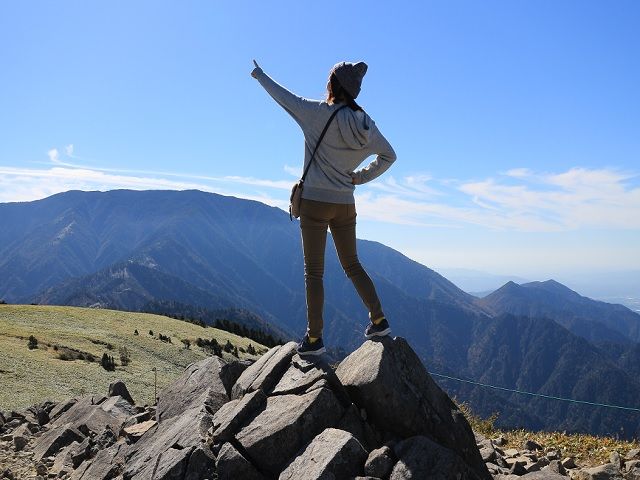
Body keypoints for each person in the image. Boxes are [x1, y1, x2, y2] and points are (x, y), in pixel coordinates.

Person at [251, 60, 397, 356]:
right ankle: (379, 320)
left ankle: (314, 339)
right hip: (345, 203)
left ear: (333, 84)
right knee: (352, 265)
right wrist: (361, 177)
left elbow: (284, 98)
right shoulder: (366, 124)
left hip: (316, 203)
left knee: (314, 273)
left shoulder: (317, 113)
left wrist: (259, 74)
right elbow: (389, 156)